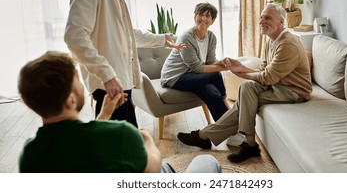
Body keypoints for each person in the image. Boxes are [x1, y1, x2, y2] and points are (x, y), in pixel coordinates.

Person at [64, 0, 185, 127]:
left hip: (120, 83)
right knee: (119, 154)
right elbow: (74, 36)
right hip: (110, 87)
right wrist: (107, 75)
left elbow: (127, 34)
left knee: (128, 149)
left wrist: (162, 40)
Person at [17, 51, 221, 173]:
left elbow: (80, 147)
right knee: (207, 162)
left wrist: (104, 116)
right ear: (71, 99)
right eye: (78, 81)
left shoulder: (30, 155)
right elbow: (151, 171)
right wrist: (147, 141)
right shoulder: (120, 134)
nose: (84, 85)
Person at [177, 3, 313, 163]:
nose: (262, 21)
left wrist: (240, 72)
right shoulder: (271, 39)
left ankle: (207, 136)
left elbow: (267, 77)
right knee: (247, 89)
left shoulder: (287, 44)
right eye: (261, 17)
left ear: (282, 22)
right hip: (278, 85)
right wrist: (241, 67)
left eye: (267, 17)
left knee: (245, 98)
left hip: (293, 91)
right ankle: (247, 143)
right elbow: (264, 69)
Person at [160, 2, 229, 122]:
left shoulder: (211, 37)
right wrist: (221, 68)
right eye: (200, 14)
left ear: (212, 21)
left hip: (193, 76)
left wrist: (221, 63)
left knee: (211, 92)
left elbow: (210, 61)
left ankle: (226, 128)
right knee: (216, 75)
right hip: (175, 78)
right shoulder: (186, 37)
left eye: (208, 16)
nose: (203, 18)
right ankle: (228, 108)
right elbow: (197, 68)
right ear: (195, 17)